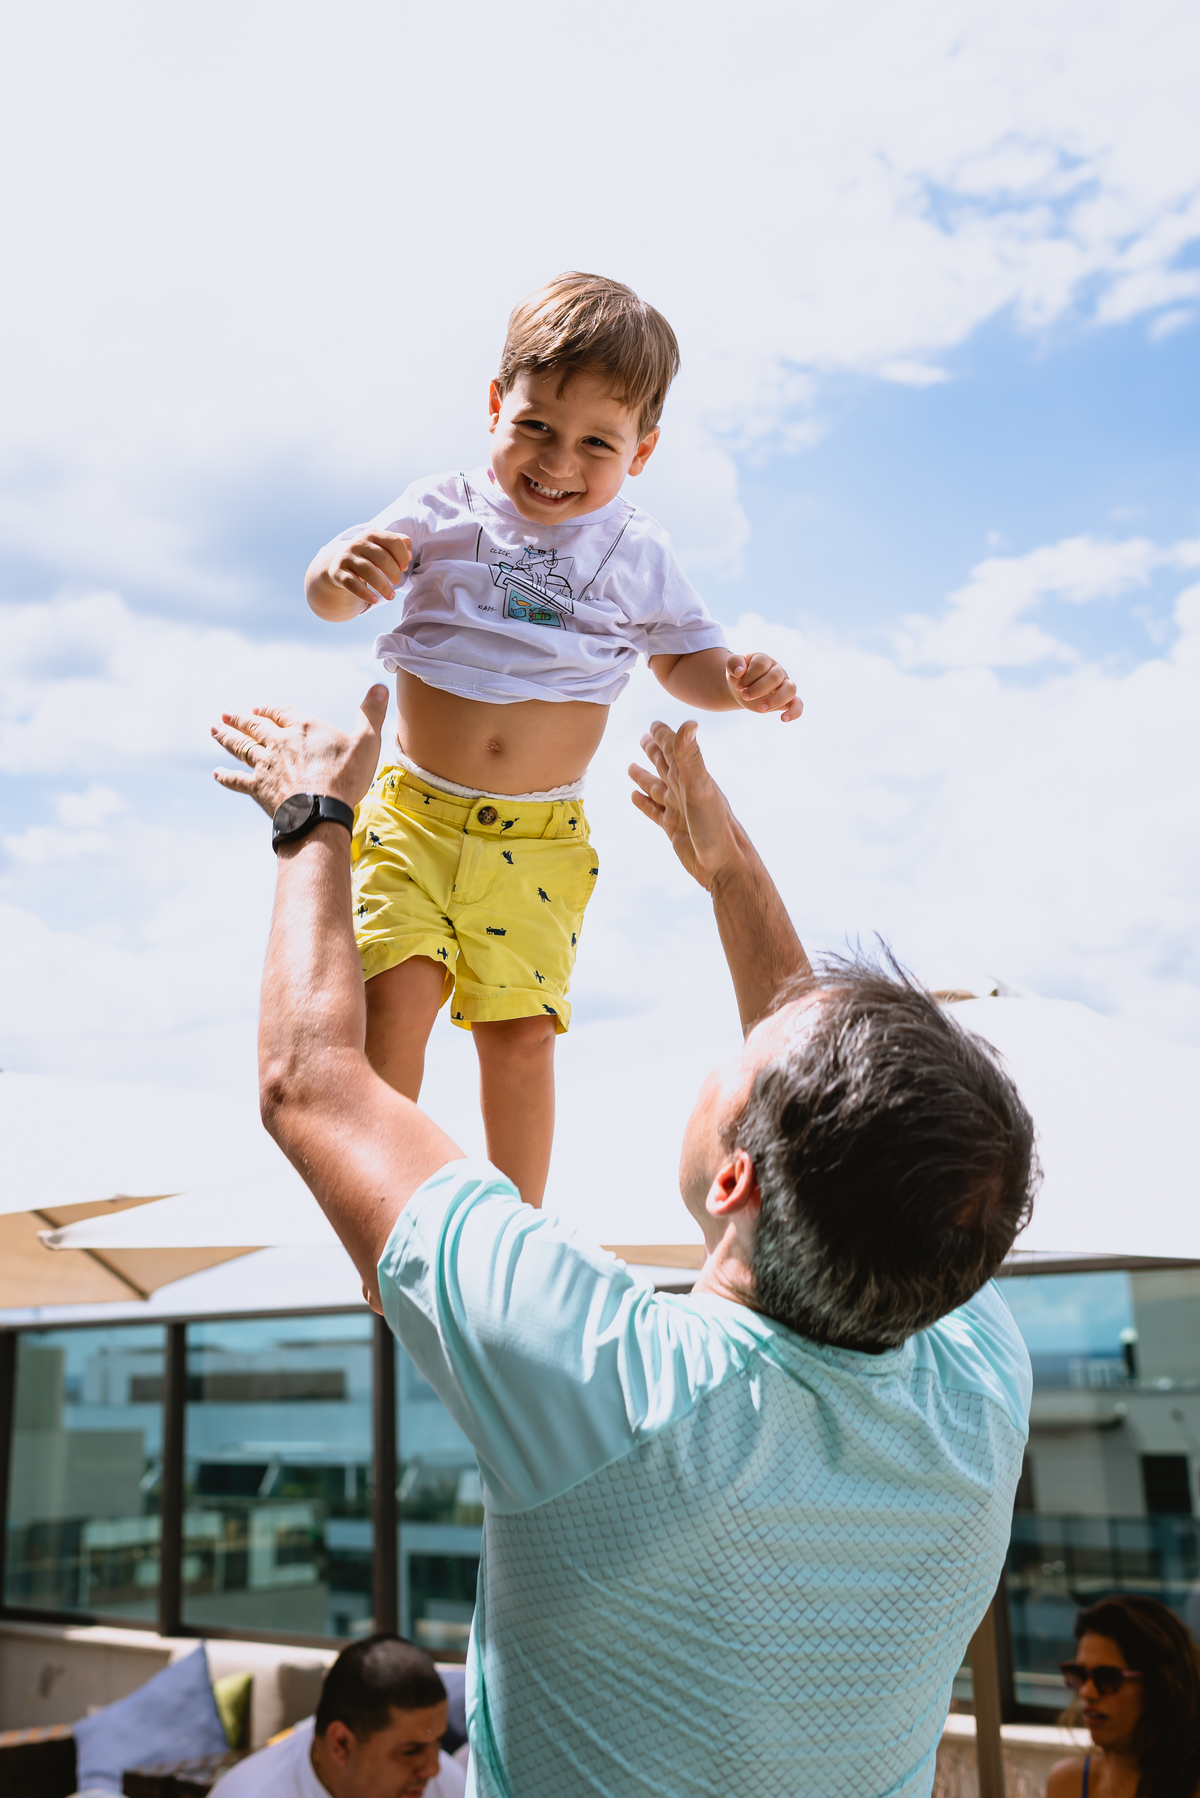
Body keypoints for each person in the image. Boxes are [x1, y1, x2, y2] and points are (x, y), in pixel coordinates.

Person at [211, 691, 1037, 1797]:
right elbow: (854, 1142)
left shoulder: (614, 1388)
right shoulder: (977, 1375)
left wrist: (313, 811)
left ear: (735, 1179)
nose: (741, 1039)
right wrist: (732, 873)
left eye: (738, 1060)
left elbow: (312, 1085)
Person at [302, 271, 800, 1206]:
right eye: (535, 426)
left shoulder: (637, 552)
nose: (558, 461)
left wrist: (735, 684)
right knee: (396, 1000)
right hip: (414, 816)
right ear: (496, 405)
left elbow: (683, 658)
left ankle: (518, 1228)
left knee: (521, 1037)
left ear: (641, 452)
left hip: (536, 839)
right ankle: (380, 1212)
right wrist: (338, 567)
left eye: (596, 443)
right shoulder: (440, 508)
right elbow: (329, 599)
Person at [210, 1634, 465, 1798]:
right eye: (410, 1751)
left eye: (437, 1742)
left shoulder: (446, 1784)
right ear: (340, 1744)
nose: (433, 1768)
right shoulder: (254, 1792)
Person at [1047, 1595, 1200, 1798]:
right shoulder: (1067, 1783)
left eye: (1107, 1677)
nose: (1086, 1692)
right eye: (1080, 1674)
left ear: (1160, 1685)